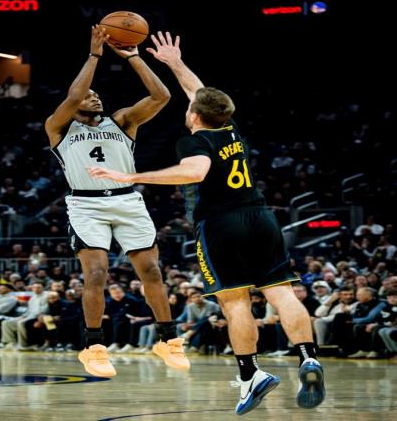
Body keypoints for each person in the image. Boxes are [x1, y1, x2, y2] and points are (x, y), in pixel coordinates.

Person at [88, 31, 325, 414]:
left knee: (235, 302)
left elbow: (195, 171)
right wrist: (175, 62)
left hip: (220, 225)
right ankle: (308, 358)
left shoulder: (194, 141)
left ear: (194, 116)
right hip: (261, 218)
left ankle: (251, 375)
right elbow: (200, 94)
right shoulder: (229, 128)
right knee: (282, 293)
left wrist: (131, 176)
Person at [44, 26, 189, 378]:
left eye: (97, 94)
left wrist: (134, 57)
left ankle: (168, 339)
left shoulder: (122, 121)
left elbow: (161, 96)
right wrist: (94, 55)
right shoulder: (58, 127)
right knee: (96, 273)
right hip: (86, 205)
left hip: (127, 200)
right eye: (88, 95)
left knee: (152, 271)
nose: (94, 97)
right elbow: (73, 94)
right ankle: (94, 347)